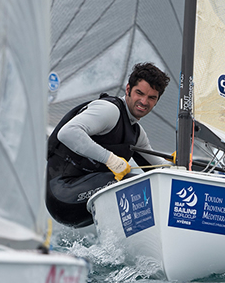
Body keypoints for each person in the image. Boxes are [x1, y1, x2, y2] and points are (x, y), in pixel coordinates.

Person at [47, 63, 172, 227]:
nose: (143, 101)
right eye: (139, 93)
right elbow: (67, 132)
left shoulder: (137, 133)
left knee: (154, 184)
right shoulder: (109, 110)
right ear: (128, 89)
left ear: (157, 101)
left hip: (87, 198)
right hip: (61, 194)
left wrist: (181, 166)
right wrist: (110, 159)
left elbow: (159, 169)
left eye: (151, 98)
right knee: (137, 185)